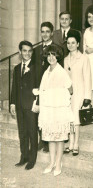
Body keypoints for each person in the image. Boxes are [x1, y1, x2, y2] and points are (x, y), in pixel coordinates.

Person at [38, 44, 74, 176]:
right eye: (49, 55)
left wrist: (58, 95)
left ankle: (58, 163)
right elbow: (42, 90)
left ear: (58, 56)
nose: (51, 57)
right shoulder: (46, 72)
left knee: (59, 138)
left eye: (53, 55)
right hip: (48, 110)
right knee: (50, 137)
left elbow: (70, 89)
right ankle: (51, 162)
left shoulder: (62, 71)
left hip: (59, 109)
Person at [32, 22, 63, 152]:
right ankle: (41, 139)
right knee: (39, 115)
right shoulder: (36, 50)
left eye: (47, 31)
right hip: (39, 86)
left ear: (52, 33)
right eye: (42, 31)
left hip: (52, 87)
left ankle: (48, 142)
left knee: (50, 114)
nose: (44, 34)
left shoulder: (57, 48)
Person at [10, 41, 38, 170]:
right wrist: (12, 103)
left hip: (31, 106)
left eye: (29, 51)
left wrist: (37, 104)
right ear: (20, 52)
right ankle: (24, 156)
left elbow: (39, 88)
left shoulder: (37, 67)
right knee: (22, 133)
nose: (27, 53)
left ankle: (32, 159)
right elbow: (14, 88)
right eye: (24, 51)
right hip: (20, 106)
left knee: (32, 133)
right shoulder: (16, 68)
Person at [64, 30, 92, 156]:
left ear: (78, 43)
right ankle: (70, 142)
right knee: (69, 119)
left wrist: (87, 97)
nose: (70, 45)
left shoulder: (84, 58)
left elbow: (87, 78)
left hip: (80, 92)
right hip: (68, 94)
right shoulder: (65, 60)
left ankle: (76, 143)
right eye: (68, 43)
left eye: (73, 43)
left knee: (76, 119)